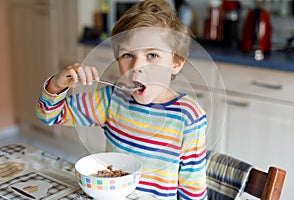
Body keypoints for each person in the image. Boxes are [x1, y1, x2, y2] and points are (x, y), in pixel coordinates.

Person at [36, 0, 207, 199]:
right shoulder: (112, 100)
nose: (136, 66)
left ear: (176, 63)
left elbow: (192, 191)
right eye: (127, 55)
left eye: (152, 55)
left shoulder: (189, 118)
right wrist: (57, 85)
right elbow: (49, 116)